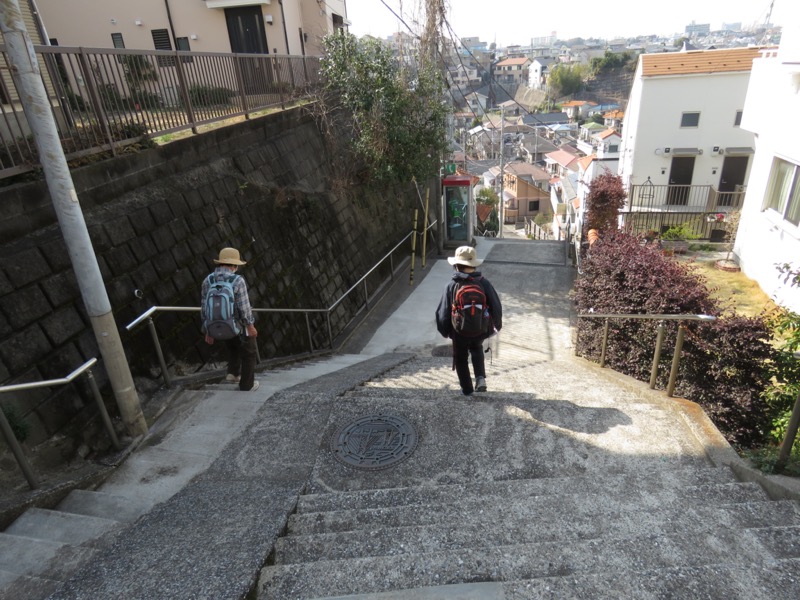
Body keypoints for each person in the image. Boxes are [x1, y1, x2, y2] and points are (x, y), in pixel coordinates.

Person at [435, 246, 502, 396]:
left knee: (461, 358)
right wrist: (494, 327)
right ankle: (480, 378)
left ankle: (467, 390)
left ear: (456, 265)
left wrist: (446, 331)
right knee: (477, 349)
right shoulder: (484, 283)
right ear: (474, 265)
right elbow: (496, 306)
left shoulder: (451, 286)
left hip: (459, 331)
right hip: (480, 329)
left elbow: (443, 312)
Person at [201, 247, 259, 392]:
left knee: (232, 346)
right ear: (234, 265)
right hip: (238, 324)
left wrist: (208, 330)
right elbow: (244, 307)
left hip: (218, 325)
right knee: (249, 352)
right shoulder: (237, 280)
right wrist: (250, 325)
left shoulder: (208, 280)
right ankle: (247, 385)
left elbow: (204, 307)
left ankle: (233, 374)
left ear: (220, 263)